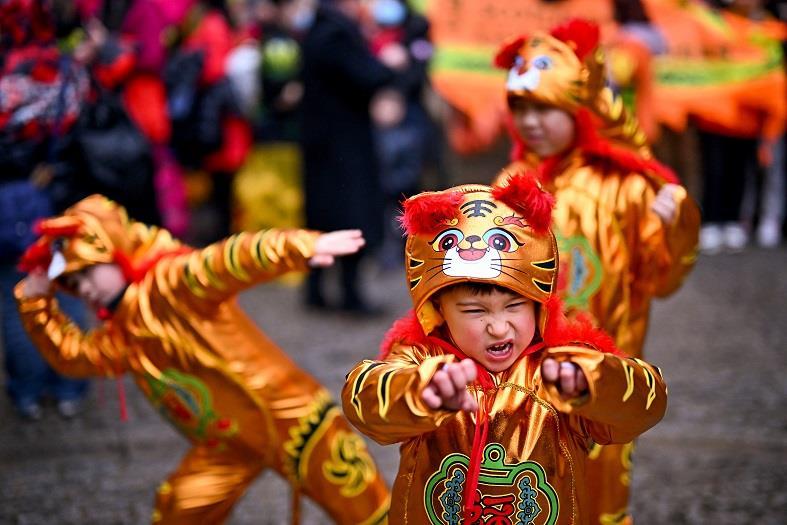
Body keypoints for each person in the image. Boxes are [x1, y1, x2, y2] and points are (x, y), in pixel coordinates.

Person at [14, 194, 389, 524]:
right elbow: (74, 357)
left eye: (88, 273)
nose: (86, 289)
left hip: (296, 423)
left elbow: (230, 259)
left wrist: (301, 246)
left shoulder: (172, 283)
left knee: (369, 511)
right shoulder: (121, 335)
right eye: (74, 285)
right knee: (179, 510)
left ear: (114, 250)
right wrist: (35, 304)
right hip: (225, 446)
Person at [341, 176, 668, 524]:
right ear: (438, 309)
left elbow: (646, 402)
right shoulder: (423, 360)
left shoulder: (562, 366)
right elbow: (363, 397)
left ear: (539, 304)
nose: (498, 327)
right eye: (475, 311)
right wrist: (421, 392)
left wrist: (592, 382)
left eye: (514, 307)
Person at [493, 19, 700, 524]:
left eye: (544, 108)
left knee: (599, 493)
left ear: (578, 108)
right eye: (520, 108)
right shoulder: (511, 183)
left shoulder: (625, 187)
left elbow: (663, 280)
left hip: (600, 377)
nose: (530, 122)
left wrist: (679, 228)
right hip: (521, 377)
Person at [299, 0, 400, 313]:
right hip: (341, 145)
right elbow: (366, 74)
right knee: (348, 215)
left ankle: (317, 290)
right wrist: (389, 62)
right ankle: (349, 295)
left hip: (327, 142)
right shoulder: (335, 34)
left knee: (323, 217)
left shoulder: (320, 28)